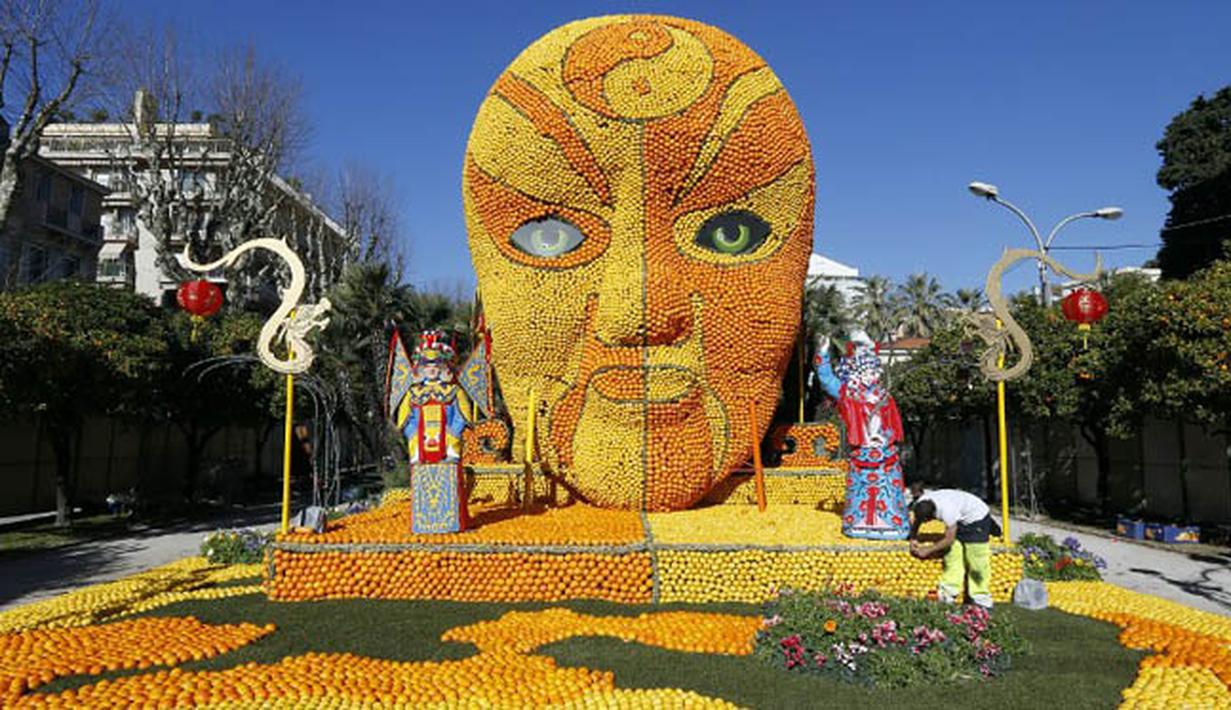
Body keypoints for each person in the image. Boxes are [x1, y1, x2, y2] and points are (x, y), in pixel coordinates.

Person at [814, 331, 909, 540]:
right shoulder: (847, 394)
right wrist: (822, 353)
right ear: (854, 372)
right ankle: (857, 524)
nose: (870, 376)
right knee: (860, 491)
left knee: (887, 490)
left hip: (885, 452)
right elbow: (826, 378)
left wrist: (883, 438)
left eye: (873, 371)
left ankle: (892, 523)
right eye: (864, 371)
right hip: (862, 453)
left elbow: (892, 424)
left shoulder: (884, 396)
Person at [909, 486, 1001, 608]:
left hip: (976, 518)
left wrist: (928, 550)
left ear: (933, 514)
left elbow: (949, 539)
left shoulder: (947, 511)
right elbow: (917, 521)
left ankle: (981, 597)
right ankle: (948, 591)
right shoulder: (922, 503)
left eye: (927, 521)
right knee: (952, 555)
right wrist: (914, 537)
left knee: (976, 559)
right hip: (960, 518)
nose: (925, 523)